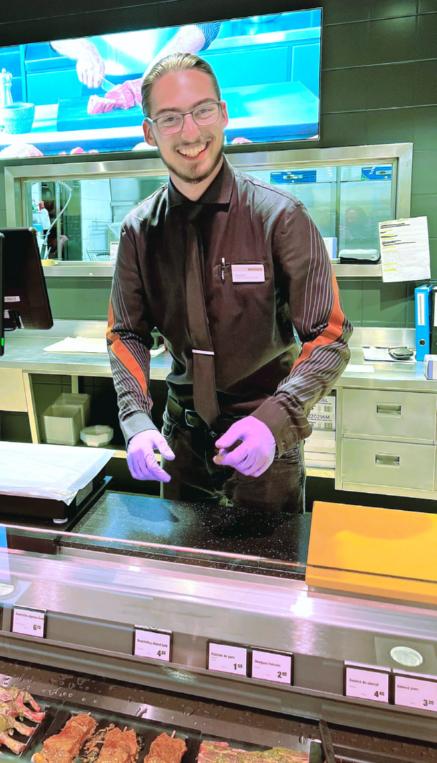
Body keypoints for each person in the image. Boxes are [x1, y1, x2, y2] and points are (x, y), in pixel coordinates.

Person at [107, 53, 352, 526]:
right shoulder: (139, 231)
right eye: (170, 118)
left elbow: (329, 336)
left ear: (222, 114)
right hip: (179, 446)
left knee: (269, 569)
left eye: (202, 111)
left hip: (265, 447)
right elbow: (127, 333)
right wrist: (135, 421)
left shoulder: (279, 217)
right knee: (180, 567)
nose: (190, 132)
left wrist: (276, 420)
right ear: (149, 132)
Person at [50, 23, 221, 115]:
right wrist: (83, 49)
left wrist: (163, 64)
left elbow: (205, 21)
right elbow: (53, 22)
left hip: (169, 77)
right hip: (101, 85)